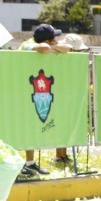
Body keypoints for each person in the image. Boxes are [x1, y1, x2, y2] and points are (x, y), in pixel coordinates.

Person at [17, 24, 71, 177]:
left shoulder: (42, 43)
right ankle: (14, 164)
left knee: (30, 127)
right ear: (47, 40)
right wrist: (52, 48)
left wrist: (53, 47)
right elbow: (45, 49)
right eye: (54, 38)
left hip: (31, 91)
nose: (57, 40)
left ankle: (30, 163)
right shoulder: (27, 45)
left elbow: (67, 48)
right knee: (18, 129)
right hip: (17, 91)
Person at [54, 34, 90, 164]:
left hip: (71, 95)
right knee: (61, 125)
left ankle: (64, 154)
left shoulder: (75, 60)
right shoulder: (58, 57)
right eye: (77, 49)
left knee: (67, 125)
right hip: (60, 95)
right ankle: (59, 154)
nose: (79, 52)